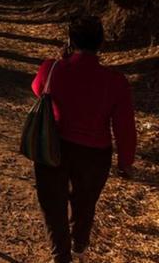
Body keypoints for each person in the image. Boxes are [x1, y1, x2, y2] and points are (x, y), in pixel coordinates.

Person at [31, 16, 137, 263]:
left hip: (53, 147)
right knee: (85, 202)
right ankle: (80, 245)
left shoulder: (52, 68)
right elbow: (124, 126)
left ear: (69, 40)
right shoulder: (116, 81)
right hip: (95, 154)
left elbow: (37, 89)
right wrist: (125, 161)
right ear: (101, 43)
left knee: (52, 202)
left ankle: (61, 255)